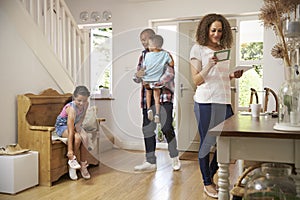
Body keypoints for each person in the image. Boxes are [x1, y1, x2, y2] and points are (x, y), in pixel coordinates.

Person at [189, 13, 243, 198]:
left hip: (224, 100)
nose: (217, 34)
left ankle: (210, 177)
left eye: (220, 30)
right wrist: (209, 65)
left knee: (226, 142)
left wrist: (232, 75)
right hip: (206, 102)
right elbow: (197, 79)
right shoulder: (198, 49)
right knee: (207, 143)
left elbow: (219, 77)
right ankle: (206, 182)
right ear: (206, 30)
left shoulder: (223, 49)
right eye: (213, 30)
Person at [133, 28, 181, 172]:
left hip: (164, 96)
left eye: (145, 39)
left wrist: (154, 83)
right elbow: (137, 77)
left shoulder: (164, 55)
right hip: (146, 98)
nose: (143, 42)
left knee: (166, 128)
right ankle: (150, 161)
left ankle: (174, 157)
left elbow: (169, 75)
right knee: (148, 129)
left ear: (153, 39)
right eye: (141, 39)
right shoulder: (143, 56)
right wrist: (138, 75)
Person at [55, 85, 91, 180]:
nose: (81, 103)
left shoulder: (86, 104)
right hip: (62, 126)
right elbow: (71, 131)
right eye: (79, 100)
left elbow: (82, 116)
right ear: (74, 97)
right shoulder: (71, 109)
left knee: (85, 137)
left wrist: (78, 125)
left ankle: (83, 165)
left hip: (75, 124)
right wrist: (70, 150)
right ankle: (72, 162)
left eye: (84, 100)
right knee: (78, 137)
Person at [142, 34, 174, 123]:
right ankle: (157, 114)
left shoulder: (147, 55)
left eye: (150, 44)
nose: (148, 46)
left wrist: (142, 77)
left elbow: (144, 67)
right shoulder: (165, 54)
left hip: (147, 79)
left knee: (148, 94)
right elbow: (171, 64)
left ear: (154, 45)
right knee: (156, 97)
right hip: (157, 80)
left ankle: (149, 109)